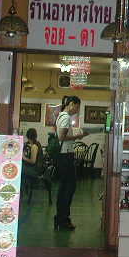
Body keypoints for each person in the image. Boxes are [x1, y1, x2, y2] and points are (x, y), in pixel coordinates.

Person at [54, 95, 88, 230]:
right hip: (65, 157)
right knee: (68, 189)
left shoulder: (61, 116)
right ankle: (63, 219)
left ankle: (60, 218)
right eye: (77, 107)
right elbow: (61, 137)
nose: (77, 110)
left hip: (64, 155)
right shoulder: (66, 117)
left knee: (64, 189)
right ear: (71, 104)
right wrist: (79, 136)